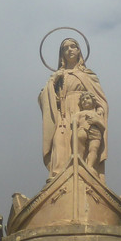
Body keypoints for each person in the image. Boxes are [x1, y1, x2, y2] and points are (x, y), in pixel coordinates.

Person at [39, 38, 107, 179]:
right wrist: (52, 81)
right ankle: (59, 178)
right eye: (65, 48)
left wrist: (99, 111)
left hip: (83, 114)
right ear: (62, 54)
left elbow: (100, 99)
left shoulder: (88, 75)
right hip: (63, 117)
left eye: (73, 46)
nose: (69, 50)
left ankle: (86, 171)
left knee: (83, 142)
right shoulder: (58, 76)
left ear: (78, 51)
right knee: (59, 143)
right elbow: (44, 97)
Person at [73, 92, 106, 175]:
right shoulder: (79, 114)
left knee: (93, 149)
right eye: (83, 99)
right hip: (82, 129)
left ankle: (90, 166)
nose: (85, 100)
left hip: (96, 133)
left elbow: (103, 127)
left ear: (93, 101)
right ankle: (79, 163)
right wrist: (74, 122)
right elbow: (74, 123)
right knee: (80, 145)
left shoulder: (97, 114)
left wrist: (96, 121)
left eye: (87, 98)